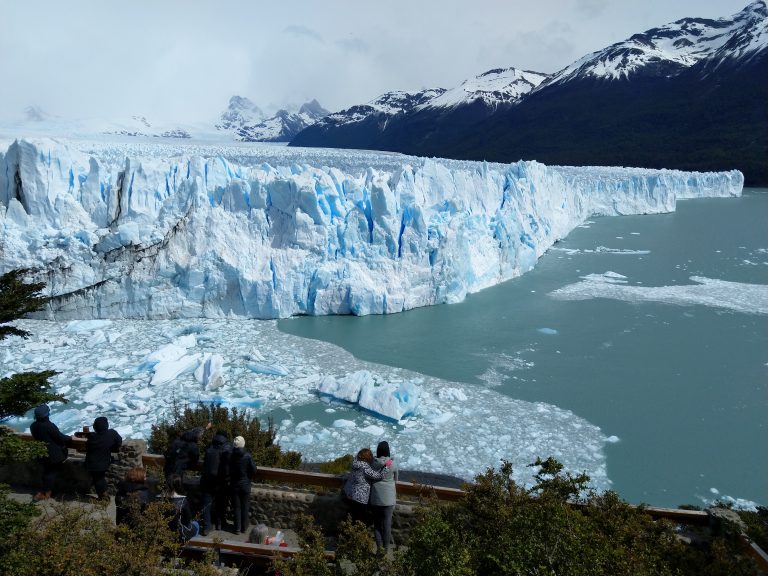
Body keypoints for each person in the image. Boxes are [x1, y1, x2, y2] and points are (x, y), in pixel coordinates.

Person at [29, 404, 70, 501]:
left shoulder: (33, 426)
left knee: (46, 472)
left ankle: (44, 491)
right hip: (54, 456)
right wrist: (70, 438)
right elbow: (60, 437)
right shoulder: (49, 426)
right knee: (51, 473)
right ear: (47, 414)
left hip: (41, 453)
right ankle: (46, 492)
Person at [343, 447, 391, 525]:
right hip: (360, 498)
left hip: (350, 494)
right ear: (368, 458)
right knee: (359, 520)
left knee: (351, 518)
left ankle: (349, 534)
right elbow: (378, 476)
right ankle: (356, 535)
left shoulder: (355, 463)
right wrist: (387, 467)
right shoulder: (364, 467)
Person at [200, 429, 232, 535]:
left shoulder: (209, 446)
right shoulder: (228, 447)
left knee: (206, 504)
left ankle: (207, 527)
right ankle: (219, 524)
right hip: (220, 480)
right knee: (221, 502)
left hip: (206, 479)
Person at [370, 441, 398, 552]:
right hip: (389, 499)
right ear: (387, 450)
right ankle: (385, 550)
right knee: (387, 525)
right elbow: (396, 480)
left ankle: (379, 548)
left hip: (376, 497)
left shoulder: (373, 463)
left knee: (377, 524)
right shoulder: (393, 463)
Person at [85, 416, 122, 499]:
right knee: (99, 479)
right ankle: (104, 496)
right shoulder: (112, 433)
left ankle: (103, 496)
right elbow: (119, 441)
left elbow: (87, 447)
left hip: (91, 462)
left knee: (98, 479)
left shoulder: (92, 437)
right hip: (103, 462)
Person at [228, 435, 257, 534]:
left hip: (234, 485)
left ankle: (237, 528)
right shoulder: (247, 456)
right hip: (245, 484)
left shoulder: (230, 455)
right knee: (245, 506)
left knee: (236, 507)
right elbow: (253, 470)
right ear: (243, 444)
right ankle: (244, 527)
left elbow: (229, 469)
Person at [161, 474, 199, 542]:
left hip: (163, 531)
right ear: (179, 485)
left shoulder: (159, 499)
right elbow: (188, 519)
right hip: (179, 534)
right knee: (196, 524)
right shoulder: (183, 501)